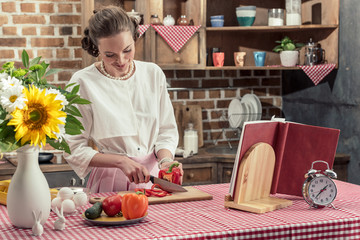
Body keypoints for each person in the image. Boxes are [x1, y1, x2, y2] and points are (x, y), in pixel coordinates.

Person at [64, 5, 181, 193]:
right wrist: (120, 161)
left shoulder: (153, 74)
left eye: (127, 50)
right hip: (110, 183)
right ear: (96, 48)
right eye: (110, 55)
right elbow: (73, 148)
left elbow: (166, 131)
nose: (121, 60)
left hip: (154, 181)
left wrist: (166, 161)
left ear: (135, 39)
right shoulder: (82, 82)